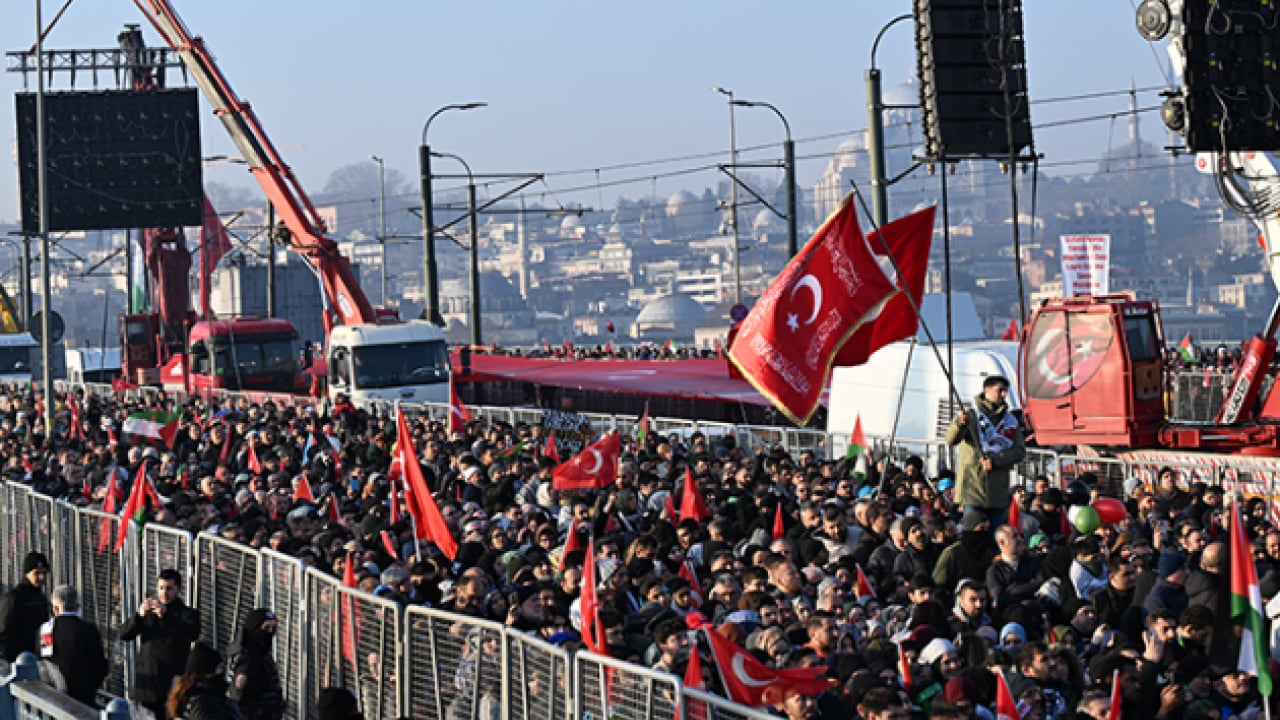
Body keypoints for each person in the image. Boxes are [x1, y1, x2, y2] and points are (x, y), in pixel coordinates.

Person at [120, 568, 203, 720]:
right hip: (146, 685)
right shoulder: (149, 613)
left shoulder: (187, 614)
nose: (164, 593)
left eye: (169, 588)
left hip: (170, 685)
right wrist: (138, 616)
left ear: (178, 589)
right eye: (161, 588)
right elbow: (124, 634)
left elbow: (193, 634)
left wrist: (166, 616)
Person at [945, 375, 1025, 527]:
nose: (1003, 395)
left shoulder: (1010, 421)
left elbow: (1019, 451)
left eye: (1005, 391)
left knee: (995, 538)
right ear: (986, 390)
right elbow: (950, 439)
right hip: (972, 488)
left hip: (997, 490)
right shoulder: (971, 415)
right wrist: (960, 425)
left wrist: (996, 461)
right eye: (999, 390)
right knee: (974, 534)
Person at [39, 585, 108, 707]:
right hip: (83, 699)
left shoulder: (46, 631)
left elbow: (43, 664)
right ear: (77, 607)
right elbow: (100, 667)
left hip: (54, 700)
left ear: (55, 609)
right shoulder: (89, 630)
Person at [228, 608, 285, 720]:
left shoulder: (261, 654)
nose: (270, 632)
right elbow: (238, 696)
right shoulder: (248, 658)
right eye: (266, 627)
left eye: (273, 628)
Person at [166, 641, 241, 720]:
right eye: (219, 668)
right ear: (207, 673)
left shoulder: (189, 695)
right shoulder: (205, 703)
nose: (222, 672)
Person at [0, 551, 51, 661]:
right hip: (17, 659)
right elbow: (3, 632)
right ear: (27, 573)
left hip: (37, 657)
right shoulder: (14, 598)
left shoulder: (41, 599)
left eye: (44, 573)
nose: (42, 577)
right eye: (37, 573)